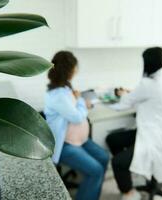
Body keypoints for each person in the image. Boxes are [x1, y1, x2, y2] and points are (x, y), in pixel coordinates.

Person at [106, 47, 162, 200]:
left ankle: (130, 193)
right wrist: (134, 94)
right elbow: (151, 98)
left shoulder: (147, 84)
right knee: (112, 139)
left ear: (148, 64)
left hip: (153, 136)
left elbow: (125, 102)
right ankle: (132, 170)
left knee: (117, 162)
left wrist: (123, 94)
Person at [44, 51, 109, 200]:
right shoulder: (57, 95)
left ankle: (92, 195)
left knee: (104, 158)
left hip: (80, 141)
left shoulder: (65, 88)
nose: (76, 70)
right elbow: (77, 117)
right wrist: (81, 102)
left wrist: (79, 101)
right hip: (65, 145)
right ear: (68, 70)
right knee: (96, 170)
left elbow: (73, 108)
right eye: (74, 67)